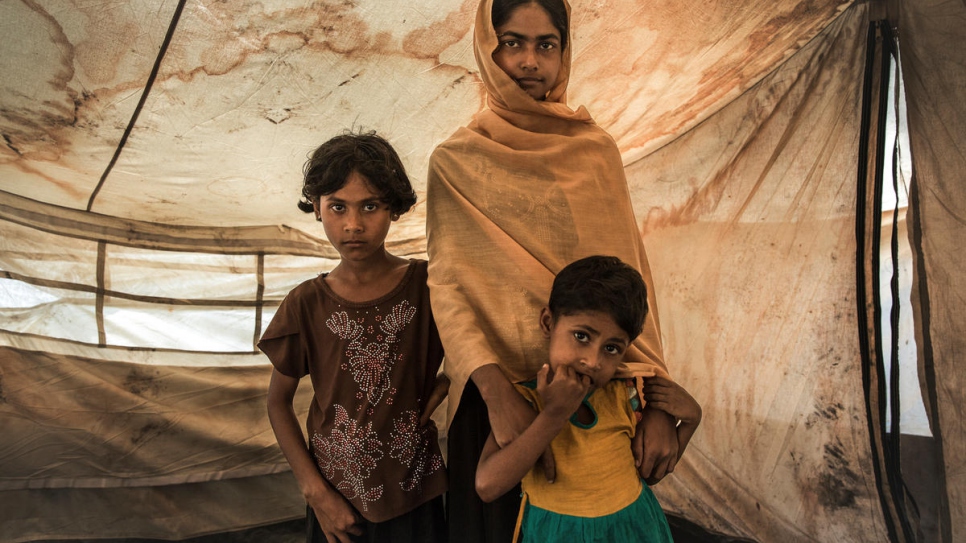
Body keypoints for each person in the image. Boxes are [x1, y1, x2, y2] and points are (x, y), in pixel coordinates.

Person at [425, 0, 684, 540]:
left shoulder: (595, 152)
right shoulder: (454, 161)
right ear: (486, 49)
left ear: (564, 53)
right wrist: (499, 399)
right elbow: (448, 289)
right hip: (501, 403)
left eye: (547, 44)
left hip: (601, 390)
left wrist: (658, 400)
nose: (529, 60)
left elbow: (632, 280)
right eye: (512, 42)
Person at [260, 132, 449, 543]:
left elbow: (479, 339)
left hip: (415, 491)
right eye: (337, 207)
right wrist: (315, 492)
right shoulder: (306, 303)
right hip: (336, 502)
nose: (353, 224)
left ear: (394, 209)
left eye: (371, 206)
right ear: (317, 208)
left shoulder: (429, 285)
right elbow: (277, 402)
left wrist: (447, 380)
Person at [475, 255, 702, 542]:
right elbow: (487, 485)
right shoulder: (524, 401)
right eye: (582, 336)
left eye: (611, 348)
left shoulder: (624, 393)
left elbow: (650, 474)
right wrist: (553, 415)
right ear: (548, 323)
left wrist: (691, 421)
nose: (593, 361)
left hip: (636, 529)